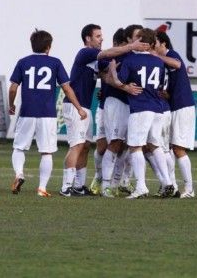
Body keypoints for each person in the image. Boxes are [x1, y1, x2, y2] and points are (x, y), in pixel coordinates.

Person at [60, 24, 146, 197]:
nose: (101, 39)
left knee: (85, 146)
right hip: (74, 105)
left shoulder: (96, 62)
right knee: (76, 145)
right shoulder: (85, 52)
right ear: (88, 39)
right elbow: (107, 54)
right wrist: (130, 46)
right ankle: (65, 186)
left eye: (101, 36)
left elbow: (108, 76)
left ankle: (78, 185)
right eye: (98, 36)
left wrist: (124, 86)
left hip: (85, 106)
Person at [9, 30, 86, 197]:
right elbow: (66, 88)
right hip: (47, 113)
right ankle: (42, 188)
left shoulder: (23, 62)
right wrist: (79, 108)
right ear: (48, 47)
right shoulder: (55, 63)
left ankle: (19, 174)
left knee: (19, 147)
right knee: (47, 151)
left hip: (27, 112)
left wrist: (11, 105)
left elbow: (13, 87)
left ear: (32, 45)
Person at [106, 28, 175, 198]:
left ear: (141, 42)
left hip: (141, 107)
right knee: (154, 144)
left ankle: (141, 186)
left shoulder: (131, 60)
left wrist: (113, 70)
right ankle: (168, 182)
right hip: (157, 108)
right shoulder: (158, 62)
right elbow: (159, 85)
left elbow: (119, 81)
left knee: (135, 146)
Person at [155, 31, 196, 198]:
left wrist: (155, 56)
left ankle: (190, 189)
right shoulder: (163, 65)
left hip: (183, 107)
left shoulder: (172, 55)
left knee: (178, 148)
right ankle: (172, 185)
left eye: (155, 44)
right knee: (170, 148)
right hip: (175, 106)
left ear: (164, 44)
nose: (153, 47)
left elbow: (177, 64)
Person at [89, 27, 128, 195]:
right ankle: (99, 177)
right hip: (105, 107)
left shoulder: (127, 59)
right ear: (117, 44)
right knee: (102, 147)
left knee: (123, 146)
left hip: (123, 107)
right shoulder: (107, 57)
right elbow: (98, 73)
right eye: (125, 44)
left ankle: (116, 182)